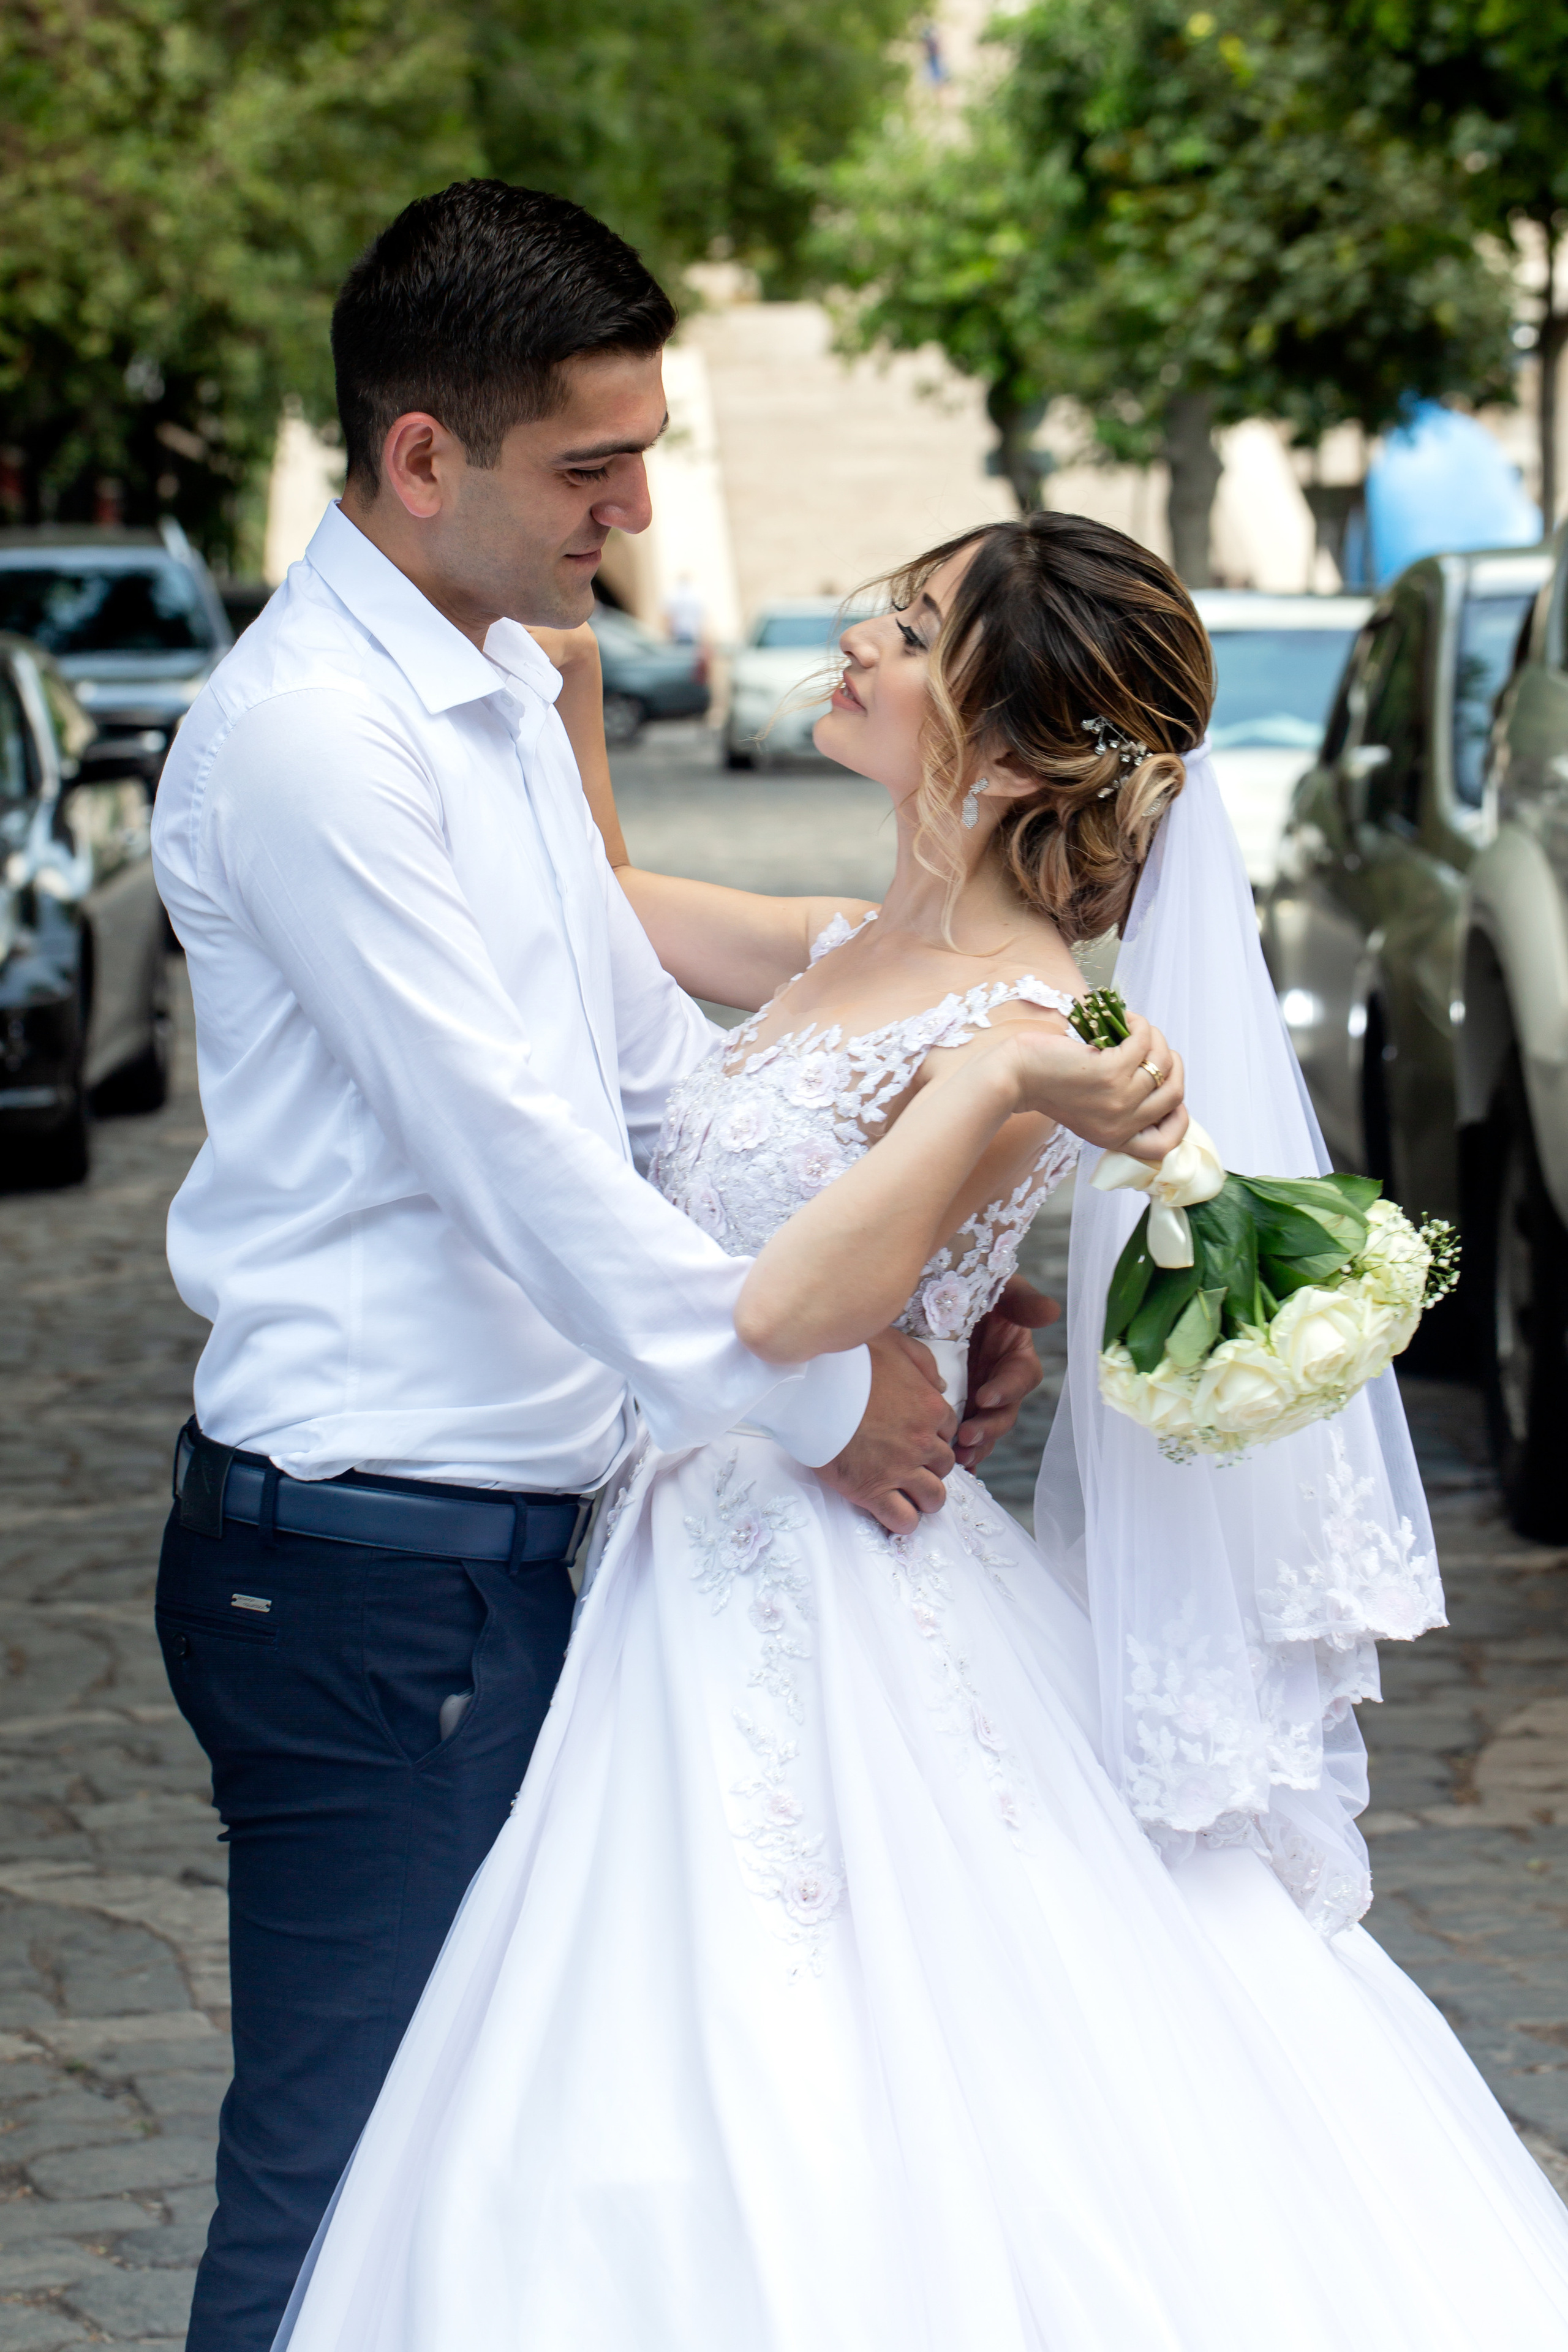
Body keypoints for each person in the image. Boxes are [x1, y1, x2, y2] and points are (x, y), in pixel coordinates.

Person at [273, 511, 1568, 2348]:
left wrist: (982, 1090)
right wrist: (551, 674)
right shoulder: (852, 942)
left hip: (833, 1573)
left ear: (1022, 747)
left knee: (833, 2079)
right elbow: (610, 911)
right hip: (708, 1552)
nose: (857, 644)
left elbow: (785, 1316)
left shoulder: (1036, 1018)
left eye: (908, 629)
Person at [148, 182, 1064, 2352]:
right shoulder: (311, 744)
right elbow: (522, 1168)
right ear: (420, 458)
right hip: (369, 1567)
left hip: (526, 1551)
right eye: (590, 466)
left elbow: (651, 1083)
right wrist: (834, 1403)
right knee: (351, 2181)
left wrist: (900, 1297)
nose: (632, 507)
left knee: (505, 2187)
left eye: (645, 453)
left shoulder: (484, 696)